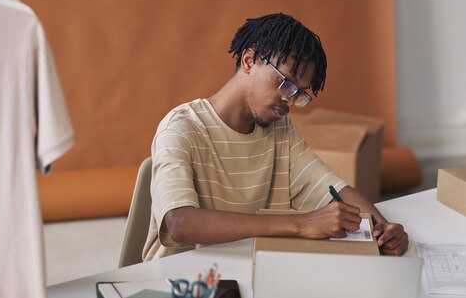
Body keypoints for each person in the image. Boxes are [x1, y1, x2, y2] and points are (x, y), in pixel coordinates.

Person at [142, 13, 408, 261]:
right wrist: (302, 224)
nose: (290, 99)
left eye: (300, 94)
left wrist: (383, 227)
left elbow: (333, 190)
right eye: (286, 83)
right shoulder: (182, 128)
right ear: (249, 60)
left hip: (251, 268)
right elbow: (180, 223)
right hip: (186, 280)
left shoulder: (280, 129)